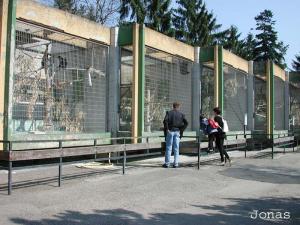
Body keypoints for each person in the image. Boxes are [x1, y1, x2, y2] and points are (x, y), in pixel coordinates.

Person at [163, 102, 188, 168]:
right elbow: (186, 123)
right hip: (177, 131)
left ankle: (167, 164)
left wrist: (167, 129)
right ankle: (176, 164)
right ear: (178, 107)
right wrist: (181, 130)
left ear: (173, 106)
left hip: (170, 131)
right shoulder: (181, 114)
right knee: (176, 148)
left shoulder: (169, 113)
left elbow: (165, 121)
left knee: (169, 147)